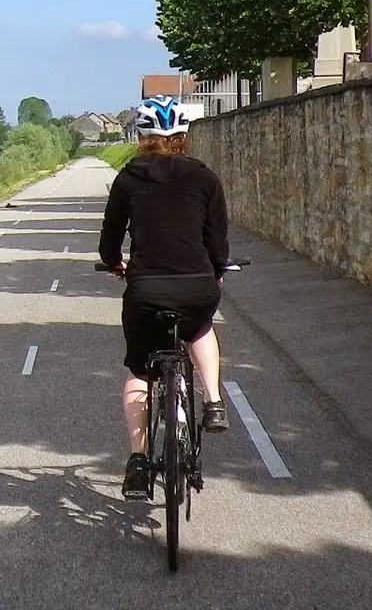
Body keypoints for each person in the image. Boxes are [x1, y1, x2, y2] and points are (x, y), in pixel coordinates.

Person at [98, 95, 230, 501]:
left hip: (146, 289)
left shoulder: (128, 178)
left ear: (142, 136)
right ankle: (212, 402)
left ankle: (138, 460)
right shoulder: (206, 177)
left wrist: (115, 263)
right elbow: (217, 240)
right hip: (196, 286)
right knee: (201, 327)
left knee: (139, 369)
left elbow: (109, 239)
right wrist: (217, 270)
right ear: (184, 135)